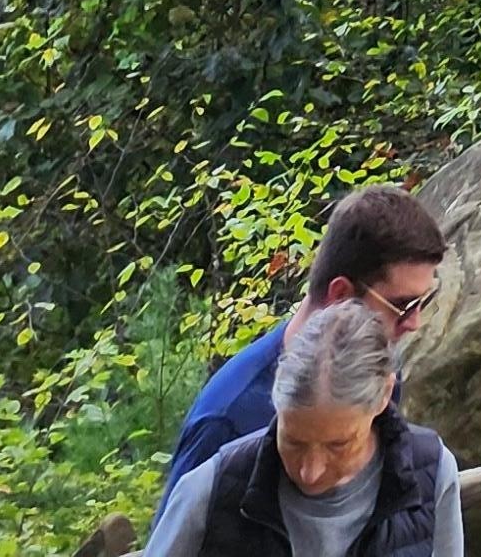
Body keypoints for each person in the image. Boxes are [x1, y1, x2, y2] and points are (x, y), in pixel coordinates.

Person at [162, 189, 447, 492]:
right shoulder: (228, 418)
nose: (414, 323)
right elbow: (175, 535)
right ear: (340, 296)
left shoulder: (377, 371)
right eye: (403, 307)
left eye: (422, 303)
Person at [144, 296, 461, 557]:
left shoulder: (431, 473)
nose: (310, 471)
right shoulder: (211, 491)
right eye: (293, 442)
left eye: (338, 445)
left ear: (383, 397)